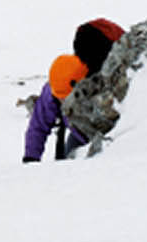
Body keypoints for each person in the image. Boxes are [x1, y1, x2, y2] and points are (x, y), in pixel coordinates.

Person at [22, 18, 124, 163]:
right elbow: (39, 124)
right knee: (69, 162)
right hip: (79, 134)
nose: (63, 101)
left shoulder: (101, 84)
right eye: (60, 99)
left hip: (112, 133)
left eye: (67, 98)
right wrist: (31, 157)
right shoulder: (54, 86)